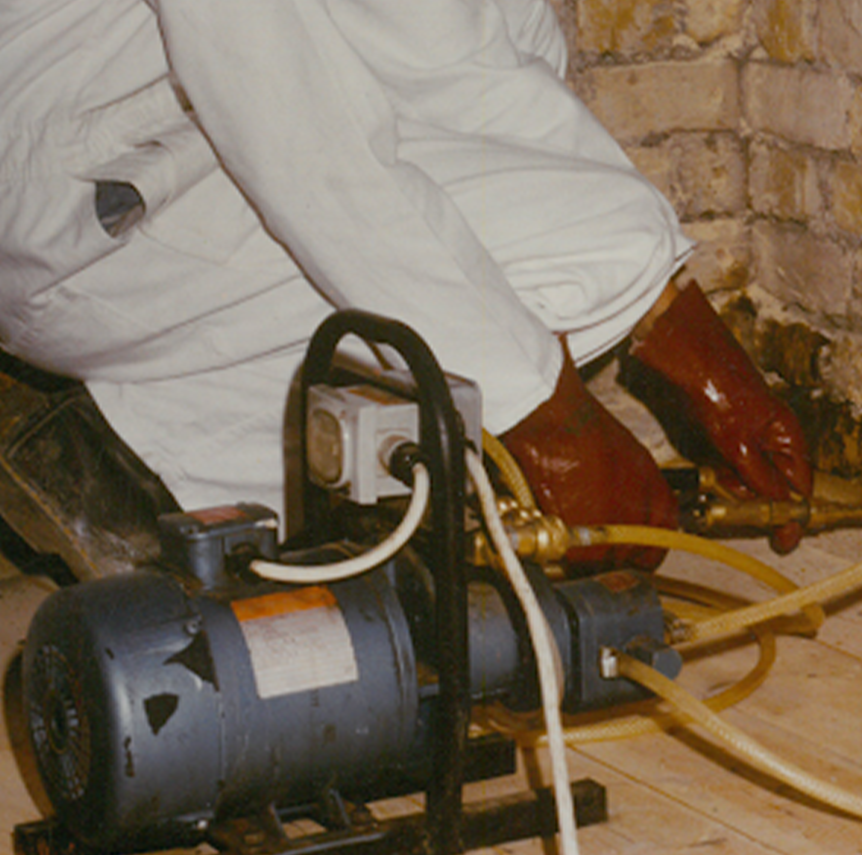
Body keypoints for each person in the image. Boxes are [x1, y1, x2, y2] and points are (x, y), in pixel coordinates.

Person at [0, 0, 811, 570]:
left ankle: (211, 462)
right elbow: (298, 137)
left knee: (600, 237)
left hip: (177, 133)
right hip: (75, 203)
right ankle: (137, 462)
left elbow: (457, 62)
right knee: (515, 295)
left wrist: (672, 319)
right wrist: (547, 416)